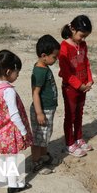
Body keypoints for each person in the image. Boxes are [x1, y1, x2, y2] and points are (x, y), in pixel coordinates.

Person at [0, 50, 33, 193]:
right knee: (11, 156)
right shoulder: (8, 91)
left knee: (0, 155)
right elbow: (14, 114)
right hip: (7, 130)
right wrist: (23, 131)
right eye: (16, 72)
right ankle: (13, 185)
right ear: (8, 71)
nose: (17, 75)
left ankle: (1, 178)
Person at [58, 15, 94, 157]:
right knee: (70, 116)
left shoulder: (83, 45)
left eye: (85, 37)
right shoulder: (64, 48)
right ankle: (70, 143)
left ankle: (78, 138)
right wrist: (79, 85)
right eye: (81, 36)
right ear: (72, 29)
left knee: (79, 113)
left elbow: (86, 63)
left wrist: (90, 80)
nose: (83, 39)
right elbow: (66, 73)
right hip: (70, 89)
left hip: (83, 87)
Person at [30, 35, 60, 173]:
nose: (56, 59)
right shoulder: (40, 71)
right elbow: (35, 93)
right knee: (38, 138)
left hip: (48, 109)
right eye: (54, 57)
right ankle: (36, 162)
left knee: (45, 136)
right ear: (44, 56)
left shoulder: (44, 67)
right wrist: (39, 113)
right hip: (42, 110)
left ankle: (43, 155)